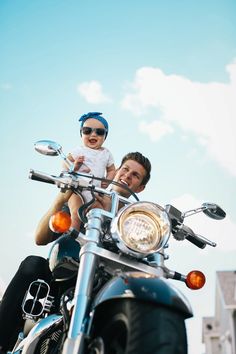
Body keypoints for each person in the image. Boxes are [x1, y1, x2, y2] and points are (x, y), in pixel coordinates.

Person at [0, 152, 151, 353]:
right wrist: (60, 199)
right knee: (32, 264)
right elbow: (40, 238)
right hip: (64, 273)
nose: (127, 176)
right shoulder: (86, 194)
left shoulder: (134, 222)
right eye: (125, 169)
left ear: (140, 187)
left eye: (135, 175)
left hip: (102, 283)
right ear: (116, 171)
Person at [65, 112, 116, 232]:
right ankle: (72, 236)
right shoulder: (79, 150)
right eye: (87, 130)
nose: (93, 134)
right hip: (77, 191)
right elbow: (65, 162)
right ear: (81, 134)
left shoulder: (106, 153)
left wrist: (107, 180)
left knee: (98, 215)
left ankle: (93, 240)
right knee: (76, 215)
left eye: (99, 132)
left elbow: (112, 169)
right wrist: (75, 166)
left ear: (105, 136)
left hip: (95, 194)